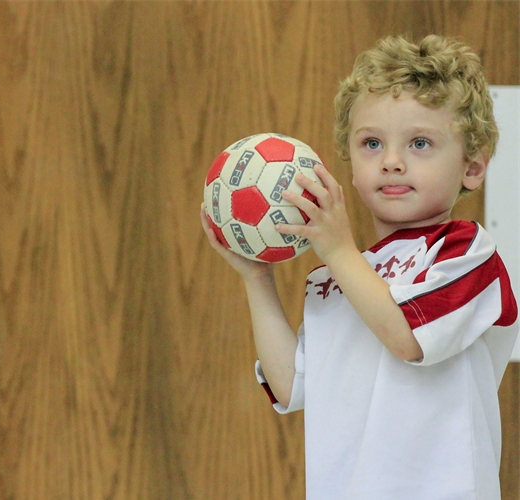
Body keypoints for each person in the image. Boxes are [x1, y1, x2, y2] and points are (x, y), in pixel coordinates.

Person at [201, 34, 518, 498]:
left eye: (420, 143)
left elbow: (409, 339)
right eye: (371, 143)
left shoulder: (467, 253)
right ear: (349, 162)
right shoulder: (334, 279)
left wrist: (339, 251)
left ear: (471, 167)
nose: (391, 161)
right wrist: (258, 278)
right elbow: (290, 388)